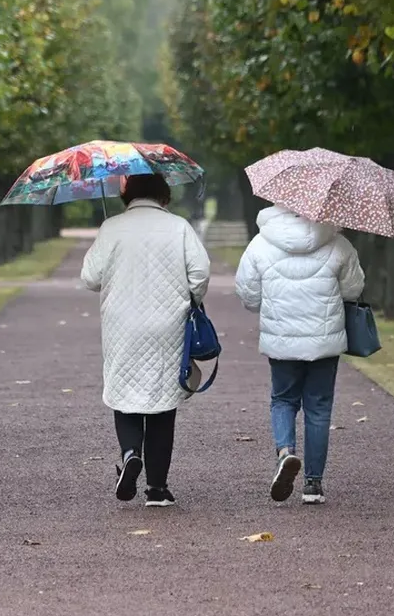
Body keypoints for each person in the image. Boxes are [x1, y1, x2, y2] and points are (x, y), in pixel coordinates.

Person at [80, 173, 211, 507]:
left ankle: (129, 454)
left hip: (121, 323)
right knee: (163, 403)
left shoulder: (112, 227)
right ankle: (157, 488)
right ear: (163, 196)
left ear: (128, 196)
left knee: (124, 392)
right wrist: (192, 299)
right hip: (168, 324)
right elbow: (200, 273)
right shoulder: (179, 227)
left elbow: (90, 278)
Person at [234, 204, 365, 505]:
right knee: (318, 409)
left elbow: (248, 294)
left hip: (281, 340)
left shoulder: (261, 243)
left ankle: (285, 452)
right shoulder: (337, 242)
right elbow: (353, 290)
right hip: (324, 340)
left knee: (283, 399)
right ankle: (313, 484)